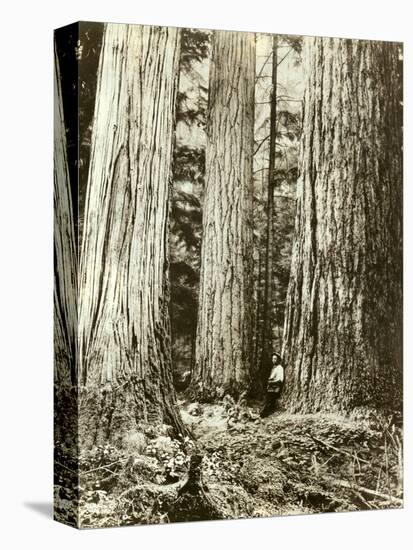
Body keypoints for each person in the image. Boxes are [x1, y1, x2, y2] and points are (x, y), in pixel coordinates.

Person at [260, 352, 285, 418]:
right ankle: (265, 414)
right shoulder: (274, 368)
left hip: (275, 387)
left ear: (278, 360)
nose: (274, 360)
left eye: (275, 359)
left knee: (268, 401)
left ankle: (263, 415)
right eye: (273, 359)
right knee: (268, 401)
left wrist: (271, 382)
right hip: (271, 387)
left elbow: (280, 380)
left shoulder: (280, 368)